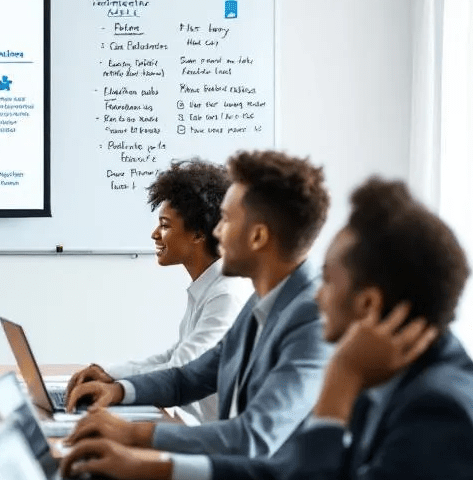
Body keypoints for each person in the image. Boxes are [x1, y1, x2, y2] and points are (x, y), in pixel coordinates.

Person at [60, 178, 473, 480]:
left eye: (329, 280)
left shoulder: (438, 411)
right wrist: (152, 467)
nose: (317, 296)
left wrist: (335, 394)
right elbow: (289, 473)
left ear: (370, 304)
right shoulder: (400, 372)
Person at [64, 150, 333, 457]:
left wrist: (135, 436)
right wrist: (118, 390)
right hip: (230, 468)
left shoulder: (314, 317)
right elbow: (188, 378)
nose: (216, 231)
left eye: (226, 220)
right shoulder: (263, 301)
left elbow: (253, 437)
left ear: (258, 236)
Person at [74, 159, 251, 422]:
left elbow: (181, 370)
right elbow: (174, 355)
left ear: (198, 234)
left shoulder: (226, 294)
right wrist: (109, 373)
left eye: (165, 225)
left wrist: (117, 388)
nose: (155, 234)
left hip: (214, 435)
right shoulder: (208, 286)